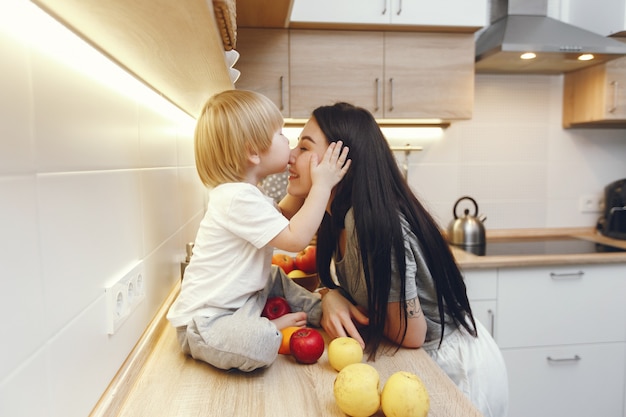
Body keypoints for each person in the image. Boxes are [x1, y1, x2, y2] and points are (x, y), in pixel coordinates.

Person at [285, 102, 508, 417]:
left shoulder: (371, 225)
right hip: (421, 361)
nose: (290, 155)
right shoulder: (333, 213)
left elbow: (410, 333)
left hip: (455, 367)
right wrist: (329, 295)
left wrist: (335, 300)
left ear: (342, 162)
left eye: (304, 146)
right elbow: (277, 222)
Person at [166, 90, 350, 372]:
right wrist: (322, 186)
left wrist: (309, 178)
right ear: (253, 152)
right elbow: (295, 238)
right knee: (261, 344)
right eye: (280, 134)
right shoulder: (237, 198)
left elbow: (285, 213)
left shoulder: (246, 195)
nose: (288, 141)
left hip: (240, 303)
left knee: (273, 276)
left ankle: (315, 308)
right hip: (206, 323)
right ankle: (269, 328)